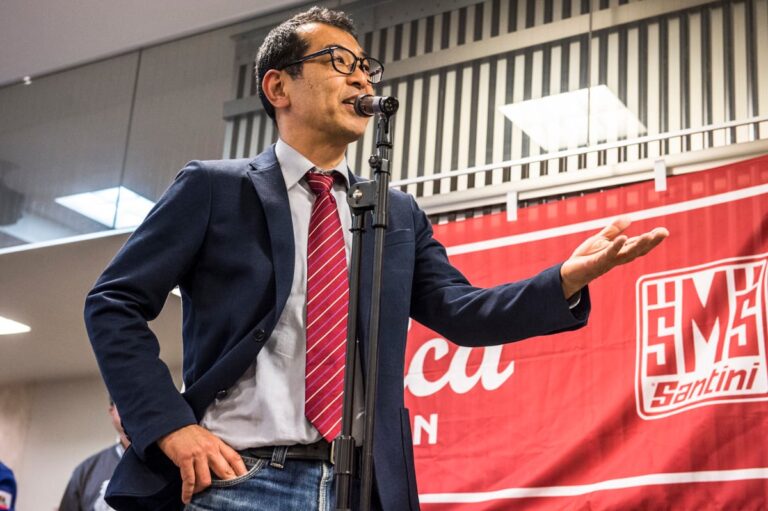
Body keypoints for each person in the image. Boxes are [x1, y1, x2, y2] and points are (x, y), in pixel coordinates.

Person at [84, 6, 668, 511]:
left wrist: (564, 279)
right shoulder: (215, 189)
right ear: (278, 88)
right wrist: (170, 426)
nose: (362, 77)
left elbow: (462, 312)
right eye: (339, 61)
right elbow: (113, 302)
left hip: (361, 487)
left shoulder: (396, 212)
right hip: (240, 479)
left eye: (366, 66)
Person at [59, 400, 130, 511]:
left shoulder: (161, 464)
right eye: (125, 400)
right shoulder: (85, 471)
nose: (131, 408)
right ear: (112, 411)